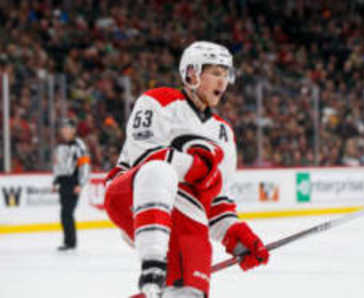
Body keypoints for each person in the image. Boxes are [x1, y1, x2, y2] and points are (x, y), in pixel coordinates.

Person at [104, 41, 269, 298]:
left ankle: (162, 285)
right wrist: (195, 166)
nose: (222, 81)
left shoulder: (224, 133)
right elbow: (145, 159)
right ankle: (153, 266)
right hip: (133, 197)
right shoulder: (157, 101)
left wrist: (237, 237)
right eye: (215, 73)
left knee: (188, 290)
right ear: (192, 74)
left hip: (186, 214)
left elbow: (216, 203)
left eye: (226, 74)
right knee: (160, 171)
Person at [52, 118, 90, 251]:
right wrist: (55, 180)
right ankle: (68, 241)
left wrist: (81, 183)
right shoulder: (60, 146)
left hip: (73, 182)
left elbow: (84, 165)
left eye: (68, 128)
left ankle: (70, 242)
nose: (65, 130)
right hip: (63, 183)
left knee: (67, 212)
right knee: (64, 213)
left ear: (73, 130)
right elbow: (58, 165)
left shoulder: (79, 145)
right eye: (63, 128)